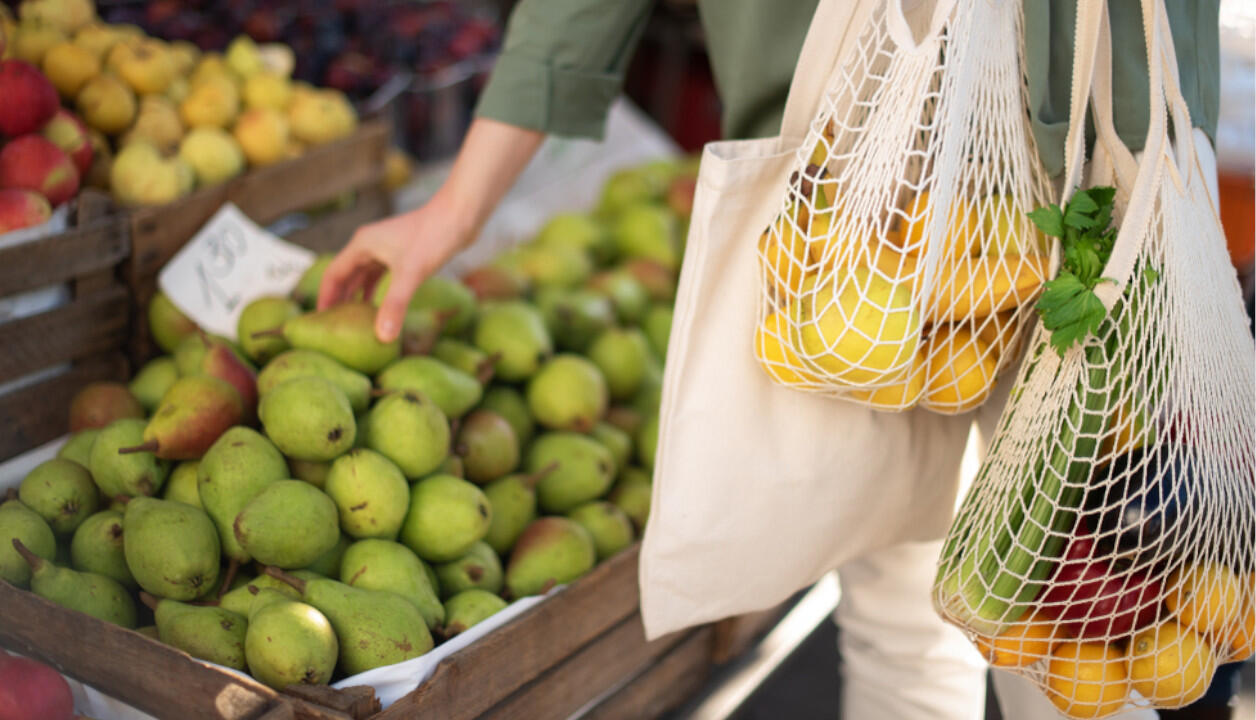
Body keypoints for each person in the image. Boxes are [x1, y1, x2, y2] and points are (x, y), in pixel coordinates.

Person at [318, 1, 1225, 718]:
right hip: (857, 202)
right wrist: (456, 208)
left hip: (1098, 168)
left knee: (1084, 647)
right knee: (905, 613)